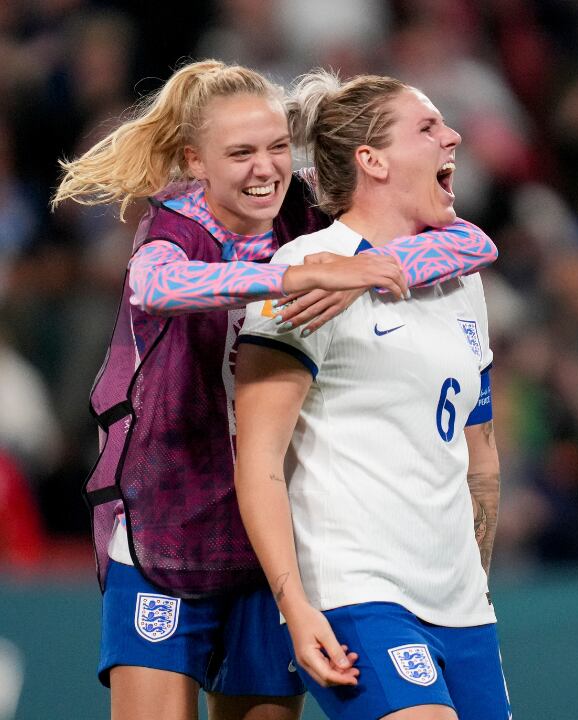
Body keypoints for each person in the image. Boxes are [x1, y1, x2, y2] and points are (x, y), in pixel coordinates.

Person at [51, 59, 498, 720]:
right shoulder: (176, 225)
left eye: (278, 148)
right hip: (168, 517)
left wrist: (365, 269)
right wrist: (295, 278)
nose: (265, 168)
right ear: (195, 162)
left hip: (268, 531)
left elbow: (471, 242)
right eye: (240, 154)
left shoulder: (302, 208)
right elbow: (155, 285)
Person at [234, 70, 509, 720]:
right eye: (428, 127)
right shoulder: (307, 272)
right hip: (356, 590)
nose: (453, 136)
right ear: (373, 160)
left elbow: (481, 453)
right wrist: (294, 605)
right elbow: (259, 459)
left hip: (462, 608)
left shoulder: (461, 279)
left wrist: (475, 583)